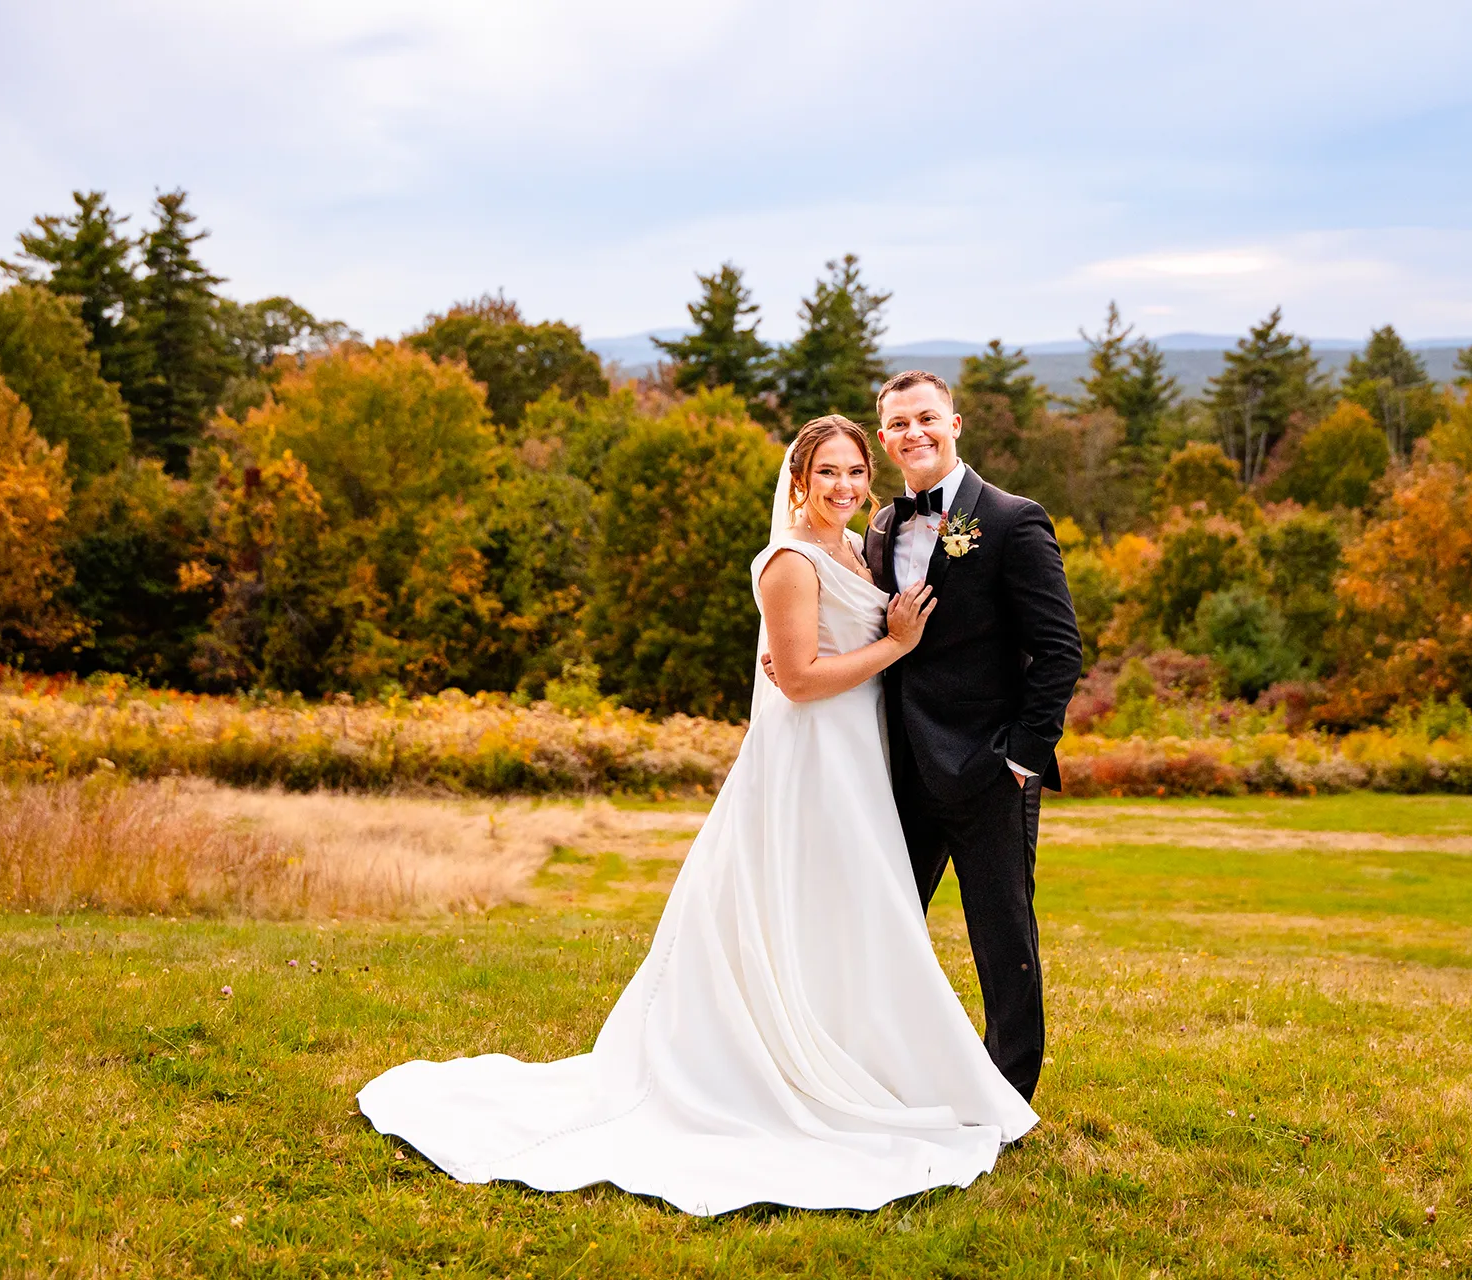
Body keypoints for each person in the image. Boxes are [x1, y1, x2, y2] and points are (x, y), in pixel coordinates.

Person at [357, 414, 1036, 1217]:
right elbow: (798, 681)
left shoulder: (861, 546)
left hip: (858, 762)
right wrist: (893, 645)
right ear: (798, 481)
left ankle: (856, 1056)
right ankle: (766, 1070)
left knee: (846, 918)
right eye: (829, 474)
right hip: (808, 766)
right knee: (803, 906)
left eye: (856, 471)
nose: (847, 486)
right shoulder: (788, 560)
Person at [860, 369, 1081, 1102]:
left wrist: (1021, 756)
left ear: (956, 424)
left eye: (927, 418)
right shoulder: (883, 526)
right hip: (903, 770)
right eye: (898, 424)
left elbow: (1059, 651)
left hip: (990, 770)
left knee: (1003, 943)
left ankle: (1007, 1094)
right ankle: (889, 1074)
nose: (913, 433)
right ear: (885, 436)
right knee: (885, 932)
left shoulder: (1015, 519)